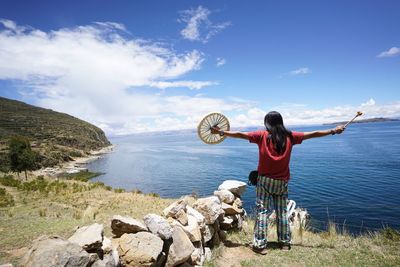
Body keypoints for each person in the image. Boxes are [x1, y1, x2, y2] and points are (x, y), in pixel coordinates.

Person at [211, 111, 345, 255]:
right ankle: (285, 243)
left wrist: (221, 132)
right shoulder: (290, 136)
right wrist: (333, 131)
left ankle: (260, 244)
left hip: (264, 181)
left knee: (262, 212)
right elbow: (313, 134)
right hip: (282, 182)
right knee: (282, 212)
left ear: (267, 123)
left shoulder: (261, 136)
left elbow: (240, 134)